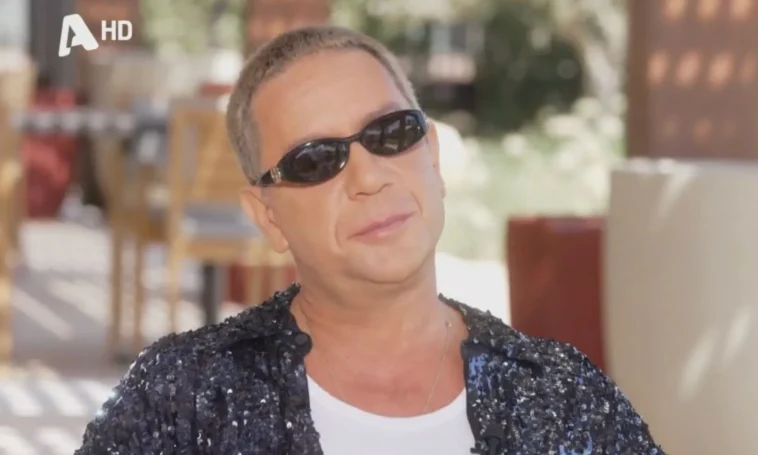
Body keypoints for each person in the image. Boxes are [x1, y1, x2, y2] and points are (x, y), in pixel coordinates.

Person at [75, 25, 665, 454]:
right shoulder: (181, 401)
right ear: (268, 216)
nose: (367, 176)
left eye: (391, 133)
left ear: (432, 157)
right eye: (314, 160)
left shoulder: (562, 398)